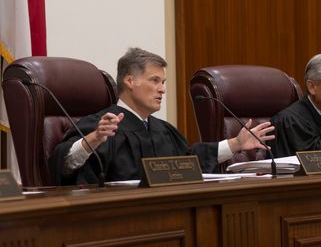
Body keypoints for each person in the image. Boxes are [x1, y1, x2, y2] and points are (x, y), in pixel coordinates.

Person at [52, 48, 274, 184]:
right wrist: (93, 139)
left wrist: (235, 143)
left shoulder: (163, 130)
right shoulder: (100, 125)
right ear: (130, 81)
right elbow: (64, 163)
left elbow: (188, 160)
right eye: (154, 81)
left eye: (163, 82)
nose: (162, 89)